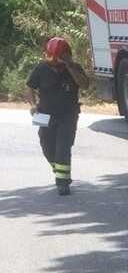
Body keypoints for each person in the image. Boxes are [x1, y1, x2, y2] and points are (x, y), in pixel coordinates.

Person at [25, 37, 88, 196]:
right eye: (51, 56)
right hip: (45, 115)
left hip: (68, 115)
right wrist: (32, 105)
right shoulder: (41, 68)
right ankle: (59, 168)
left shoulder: (74, 68)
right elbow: (29, 88)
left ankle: (63, 183)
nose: (53, 60)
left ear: (66, 55)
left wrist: (69, 66)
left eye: (58, 56)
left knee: (63, 148)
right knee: (46, 146)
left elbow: (85, 84)